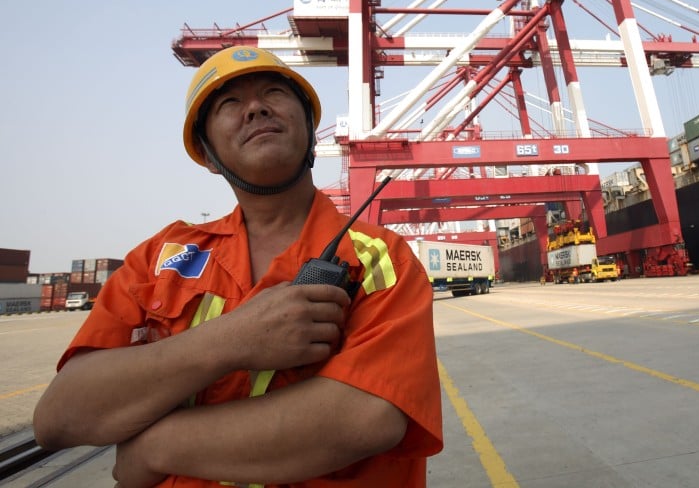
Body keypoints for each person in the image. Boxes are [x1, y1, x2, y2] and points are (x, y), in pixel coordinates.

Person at [33, 46, 443, 487]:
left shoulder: (380, 257)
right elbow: (59, 418)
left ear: (311, 129)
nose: (255, 108)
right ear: (208, 155)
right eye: (229, 103)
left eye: (273, 93)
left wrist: (155, 448)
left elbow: (367, 416)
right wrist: (232, 339)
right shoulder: (158, 260)